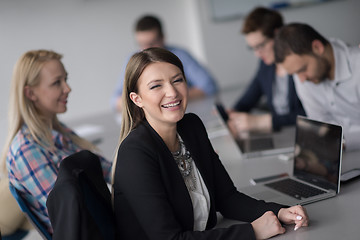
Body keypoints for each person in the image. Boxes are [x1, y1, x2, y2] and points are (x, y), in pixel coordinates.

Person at [112, 47, 308, 240]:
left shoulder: (191, 126)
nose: (172, 92)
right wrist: (252, 232)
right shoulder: (135, 152)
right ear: (137, 99)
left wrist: (279, 212)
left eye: (177, 80)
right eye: (156, 86)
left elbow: (227, 198)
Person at [0, 50, 112, 234]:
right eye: (56, 83)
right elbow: (73, 211)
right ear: (30, 93)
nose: (67, 88)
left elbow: (106, 169)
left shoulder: (59, 132)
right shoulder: (27, 150)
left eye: (65, 79)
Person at [274, 23, 360, 150]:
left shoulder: (357, 65)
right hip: (342, 156)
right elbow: (322, 127)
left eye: (302, 69)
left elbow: (330, 138)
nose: (302, 79)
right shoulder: (302, 77)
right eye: (295, 74)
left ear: (317, 47)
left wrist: (340, 141)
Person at [110, 14, 218, 112]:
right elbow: (116, 99)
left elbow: (208, 86)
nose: (147, 49)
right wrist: (150, 102)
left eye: (152, 43)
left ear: (163, 37)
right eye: (142, 44)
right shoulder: (132, 60)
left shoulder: (180, 55)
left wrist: (172, 99)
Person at [228, 7, 305, 136]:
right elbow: (249, 97)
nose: (257, 54)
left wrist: (265, 122)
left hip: (301, 135)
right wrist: (232, 113)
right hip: (283, 135)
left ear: (277, 34)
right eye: (253, 48)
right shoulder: (266, 66)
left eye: (260, 46)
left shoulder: (299, 64)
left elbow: (312, 113)